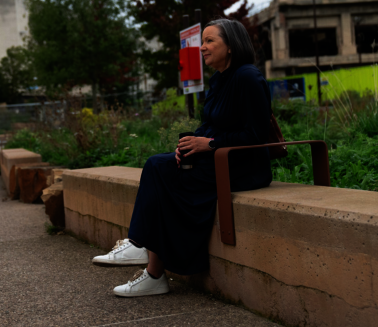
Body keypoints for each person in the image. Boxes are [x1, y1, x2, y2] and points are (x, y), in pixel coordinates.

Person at [92, 18, 272, 297]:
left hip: (243, 166)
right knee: (160, 166)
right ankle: (151, 270)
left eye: (210, 41)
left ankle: (144, 254)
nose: (203, 47)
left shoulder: (248, 77)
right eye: (203, 41)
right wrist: (188, 146)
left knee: (157, 168)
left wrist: (208, 144)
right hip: (217, 159)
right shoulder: (219, 79)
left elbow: (257, 136)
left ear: (232, 46)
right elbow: (210, 124)